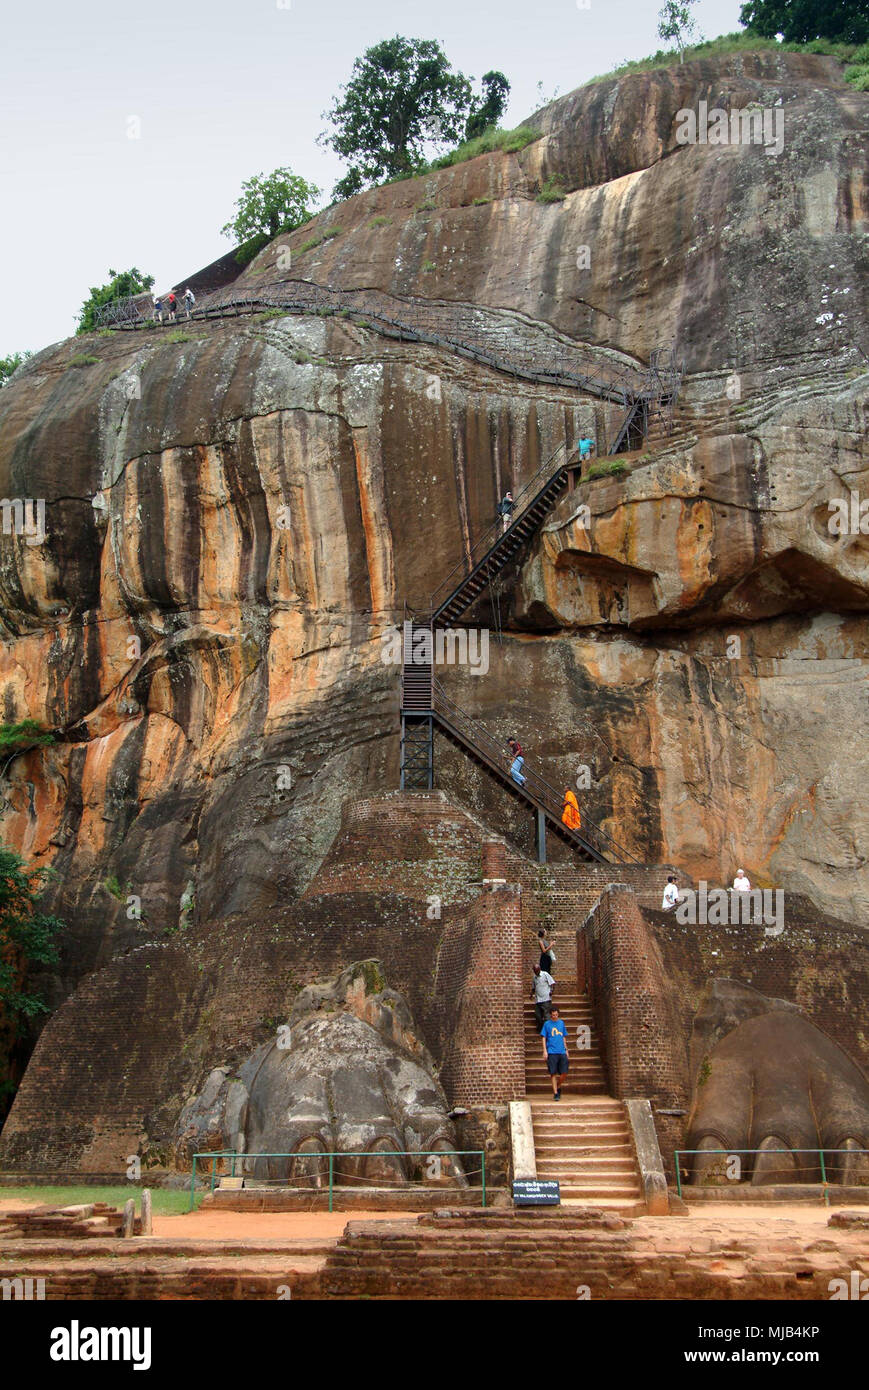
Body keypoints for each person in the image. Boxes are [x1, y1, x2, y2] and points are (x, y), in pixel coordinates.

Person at [541, 1006, 569, 1100]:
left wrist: (566, 1049)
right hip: (552, 1051)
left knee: (564, 1072)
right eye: (553, 1015)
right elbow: (544, 1037)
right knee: (553, 1073)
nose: (555, 1016)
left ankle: (558, 1085)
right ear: (551, 1015)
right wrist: (545, 1050)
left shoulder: (561, 1023)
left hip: (561, 1051)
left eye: (556, 1015)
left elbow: (564, 1036)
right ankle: (556, 1093)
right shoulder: (547, 1024)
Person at [531, 964, 554, 1030]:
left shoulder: (545, 974)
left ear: (539, 969)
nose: (536, 972)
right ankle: (541, 1027)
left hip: (546, 998)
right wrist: (531, 994)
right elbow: (533, 987)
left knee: (547, 1015)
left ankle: (547, 1030)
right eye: (535, 971)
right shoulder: (534, 977)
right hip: (538, 999)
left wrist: (551, 991)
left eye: (537, 971)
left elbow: (552, 983)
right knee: (537, 1015)